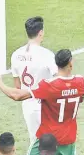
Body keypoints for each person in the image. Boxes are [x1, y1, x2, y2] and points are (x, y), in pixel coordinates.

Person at [11, 16, 57, 146]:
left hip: (28, 104)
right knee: (50, 142)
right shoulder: (47, 55)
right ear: (41, 32)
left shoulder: (16, 55)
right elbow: (58, 80)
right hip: (46, 105)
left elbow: (17, 86)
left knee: (34, 140)